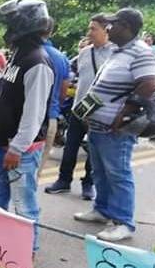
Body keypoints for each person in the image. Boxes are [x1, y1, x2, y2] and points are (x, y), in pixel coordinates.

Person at [73, 8, 155, 242]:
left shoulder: (140, 52)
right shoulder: (118, 51)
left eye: (114, 24)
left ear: (127, 27)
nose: (109, 28)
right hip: (98, 124)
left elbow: (150, 84)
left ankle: (124, 222)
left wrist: (125, 112)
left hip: (117, 128)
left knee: (118, 173)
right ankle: (102, 209)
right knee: (100, 170)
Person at [0, 0, 54, 253]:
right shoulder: (18, 58)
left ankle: (26, 255)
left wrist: (17, 148)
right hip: (2, 144)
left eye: (10, 24)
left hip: (20, 149)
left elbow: (34, 114)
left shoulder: (37, 63)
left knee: (24, 206)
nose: (6, 31)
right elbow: (4, 101)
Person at [46, 14, 115, 200]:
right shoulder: (84, 53)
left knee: (93, 150)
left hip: (100, 111)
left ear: (106, 30)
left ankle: (88, 184)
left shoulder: (114, 53)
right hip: (79, 108)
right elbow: (71, 73)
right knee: (70, 145)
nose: (89, 32)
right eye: (89, 28)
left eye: (93, 29)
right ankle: (63, 180)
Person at [38, 18, 71, 178]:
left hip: (20, 121)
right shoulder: (60, 58)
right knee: (32, 175)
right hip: (49, 118)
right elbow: (63, 92)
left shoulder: (25, 53)